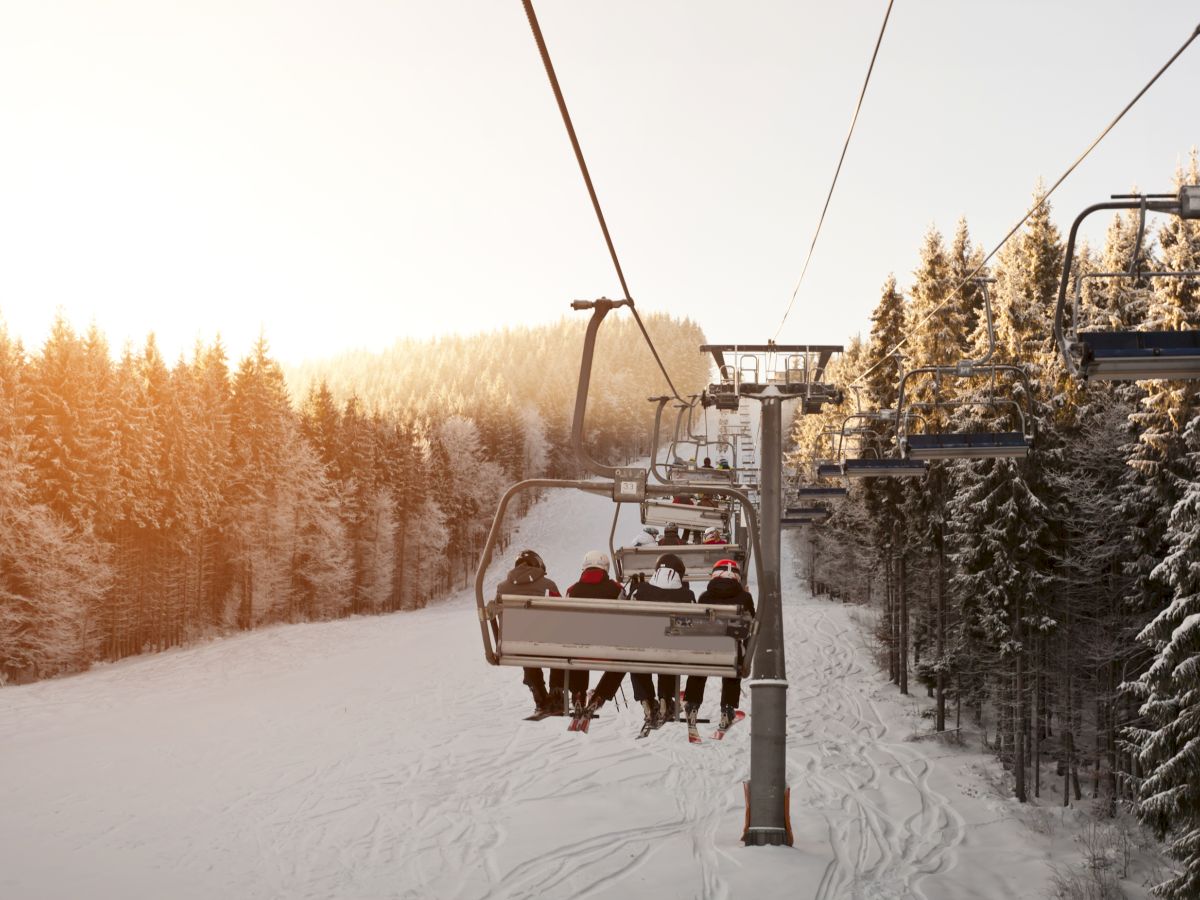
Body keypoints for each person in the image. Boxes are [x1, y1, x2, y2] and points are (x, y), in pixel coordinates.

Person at [585, 553, 696, 728]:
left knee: (634, 650)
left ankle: (646, 702)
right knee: (671, 647)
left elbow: (624, 618)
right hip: (671, 653)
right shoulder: (687, 595)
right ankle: (665, 698)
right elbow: (691, 628)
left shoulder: (640, 590)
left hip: (640, 651)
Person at [683, 558, 755, 730]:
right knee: (734, 660)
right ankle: (727, 708)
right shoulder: (744, 597)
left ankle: (692, 704)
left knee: (699, 666)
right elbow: (751, 623)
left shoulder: (705, 596)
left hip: (706, 649)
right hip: (731, 651)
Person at [494, 549, 564, 715]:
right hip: (546, 642)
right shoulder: (548, 585)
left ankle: (539, 697)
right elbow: (561, 615)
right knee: (560, 644)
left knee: (524, 643)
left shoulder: (502, 587)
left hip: (513, 645)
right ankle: (556, 693)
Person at [563, 551, 624, 715]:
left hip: (580, 648)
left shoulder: (572, 590)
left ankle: (577, 693)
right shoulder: (616, 589)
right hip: (609, 649)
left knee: (576, 646)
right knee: (624, 660)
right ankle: (600, 696)